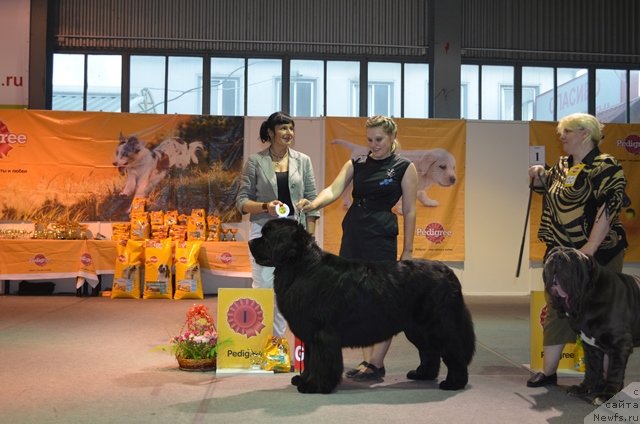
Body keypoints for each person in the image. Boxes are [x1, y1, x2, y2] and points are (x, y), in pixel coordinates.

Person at [296, 115, 418, 382]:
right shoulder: (357, 163)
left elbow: (409, 210)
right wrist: (313, 204)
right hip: (353, 235)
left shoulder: (405, 167)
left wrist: (407, 250)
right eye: (370, 140)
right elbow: (333, 190)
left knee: (383, 301)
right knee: (357, 300)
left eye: (379, 140)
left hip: (382, 238)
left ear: (392, 137)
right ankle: (367, 361)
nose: (373, 145)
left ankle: (377, 363)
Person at [526, 112, 628, 388]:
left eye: (566, 131)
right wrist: (539, 175)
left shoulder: (605, 165)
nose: (561, 137)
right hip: (561, 253)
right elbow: (551, 192)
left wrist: (590, 248)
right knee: (558, 308)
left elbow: (610, 205)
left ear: (585, 133)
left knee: (602, 313)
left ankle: (605, 381)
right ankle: (548, 371)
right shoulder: (561, 165)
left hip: (599, 252)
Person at [236, 111, 320, 338]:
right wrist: (265, 207)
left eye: (291, 128)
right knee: (263, 285)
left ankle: (278, 345)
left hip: (293, 234)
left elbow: (313, 201)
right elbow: (242, 202)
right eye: (283, 128)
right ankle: (258, 342)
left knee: (288, 290)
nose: (288, 132)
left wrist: (309, 240)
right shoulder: (255, 161)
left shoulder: (303, 161)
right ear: (271, 133)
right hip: (263, 233)